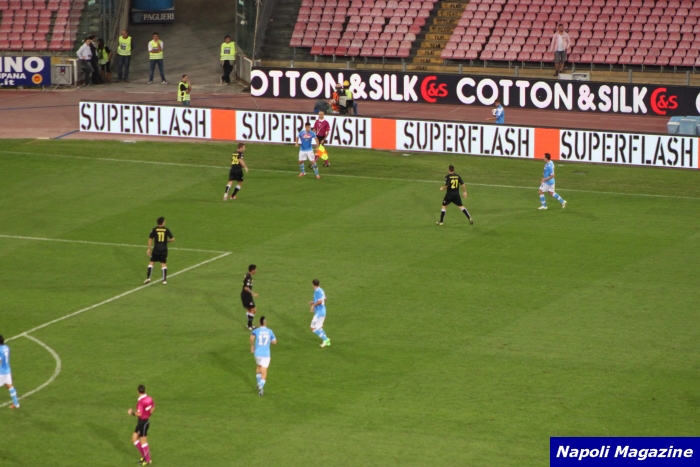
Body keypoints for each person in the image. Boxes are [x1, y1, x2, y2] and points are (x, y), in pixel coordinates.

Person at [127, 384, 155, 466]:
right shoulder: (149, 398)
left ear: (138, 392)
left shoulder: (140, 402)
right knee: (134, 439)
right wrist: (149, 414)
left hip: (143, 423)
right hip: (142, 422)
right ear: (145, 391)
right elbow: (153, 407)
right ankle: (144, 456)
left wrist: (132, 413)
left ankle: (148, 460)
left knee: (143, 442)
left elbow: (139, 414)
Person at [250, 316, 277, 397]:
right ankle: (261, 386)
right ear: (265, 323)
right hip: (265, 354)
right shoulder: (269, 331)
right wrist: (269, 342)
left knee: (259, 367)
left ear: (260, 323)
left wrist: (252, 346)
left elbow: (251, 338)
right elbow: (275, 342)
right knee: (264, 372)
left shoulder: (256, 330)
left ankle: (258, 383)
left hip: (257, 353)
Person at [144, 217, 174, 284]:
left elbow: (150, 239)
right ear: (162, 222)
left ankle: (148, 278)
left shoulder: (154, 229)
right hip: (164, 250)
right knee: (163, 264)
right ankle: (164, 280)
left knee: (151, 262)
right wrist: (166, 241)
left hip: (156, 249)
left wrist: (149, 248)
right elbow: (172, 239)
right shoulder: (166, 230)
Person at [309, 279, 331, 348]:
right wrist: (314, 302)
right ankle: (326, 342)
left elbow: (321, 301)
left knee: (312, 328)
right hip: (323, 311)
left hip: (319, 313)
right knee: (319, 327)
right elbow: (324, 299)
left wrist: (313, 305)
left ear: (312, 284)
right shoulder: (321, 290)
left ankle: (326, 339)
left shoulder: (317, 291)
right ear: (319, 284)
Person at [0, 335, 20, 409]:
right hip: (7, 370)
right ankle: (16, 403)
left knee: (9, 386)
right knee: (9, 386)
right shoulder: (6, 347)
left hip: (1, 372)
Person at [241, 264, 259, 330]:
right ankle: (249, 325)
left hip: (245, 295)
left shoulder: (247, 275)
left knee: (249, 309)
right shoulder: (248, 277)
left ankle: (249, 325)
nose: (256, 271)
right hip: (246, 295)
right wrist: (253, 293)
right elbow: (246, 287)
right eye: (255, 269)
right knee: (253, 310)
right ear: (252, 270)